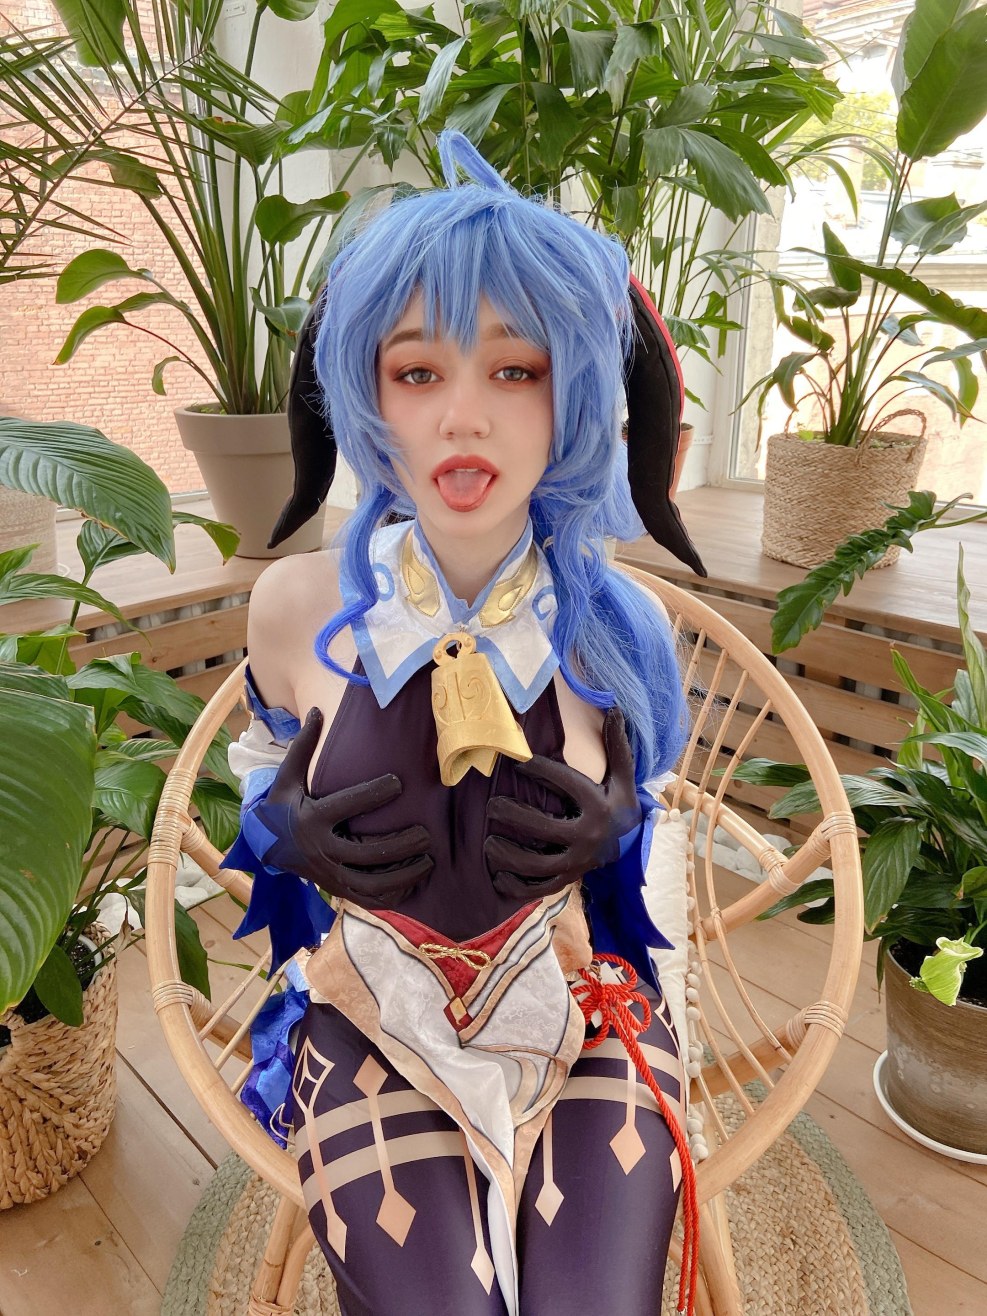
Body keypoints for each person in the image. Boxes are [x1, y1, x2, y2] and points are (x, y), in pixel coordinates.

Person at [224, 131, 705, 1316]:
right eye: (418, 372)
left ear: (578, 387)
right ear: (362, 392)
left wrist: (628, 840)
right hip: (369, 1005)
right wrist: (277, 829)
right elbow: (253, 779)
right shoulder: (293, 608)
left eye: (516, 369)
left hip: (581, 997)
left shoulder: (620, 631)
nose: (464, 419)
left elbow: (670, 831)